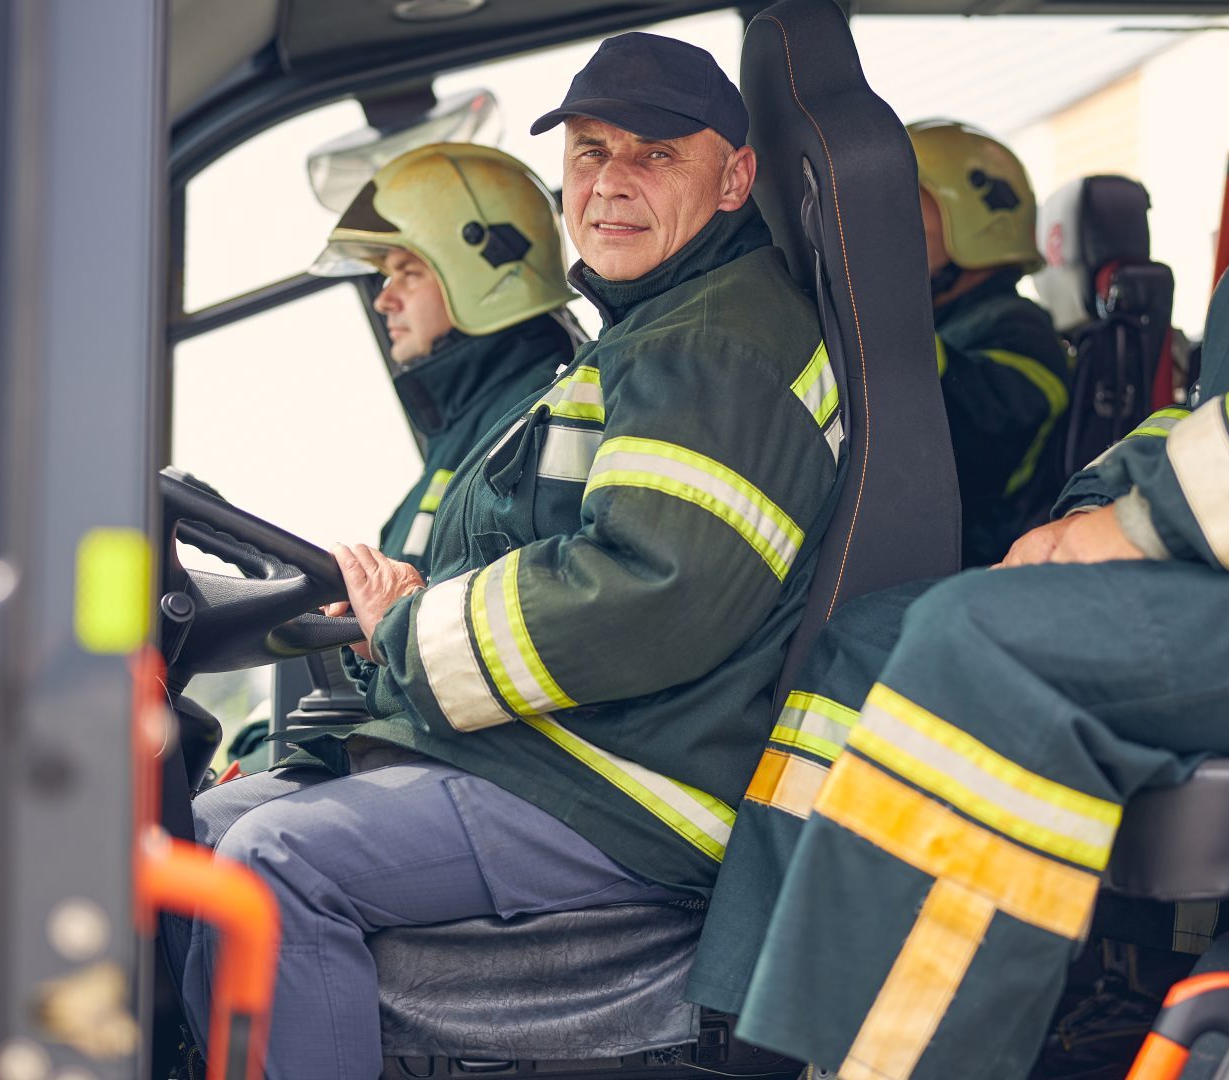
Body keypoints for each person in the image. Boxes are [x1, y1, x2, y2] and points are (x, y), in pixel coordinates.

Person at [686, 4, 1229, 1077]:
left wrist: (1143, 527)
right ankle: (753, 1032)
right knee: (875, 634)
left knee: (981, 648)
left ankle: (889, 1061)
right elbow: (1223, 406)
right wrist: (1088, 514)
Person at [163, 33, 839, 1079]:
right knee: (198, 827)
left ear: (736, 177)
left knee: (267, 865)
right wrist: (413, 622)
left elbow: (656, 591)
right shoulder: (657, 328)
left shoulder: (708, 346)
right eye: (589, 153)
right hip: (584, 747)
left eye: (655, 155)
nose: (611, 182)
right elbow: (573, 560)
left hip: (631, 780)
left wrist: (414, 625)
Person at [308, 142, 581, 573]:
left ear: (480, 271)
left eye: (409, 273)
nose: (385, 301)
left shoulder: (533, 422)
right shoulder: (462, 432)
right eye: (386, 277)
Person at [909, 121, 1074, 567]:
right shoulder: (945, 317)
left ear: (973, 219)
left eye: (906, 204)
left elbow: (968, 444)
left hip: (970, 568)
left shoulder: (1021, 330)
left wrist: (886, 323)